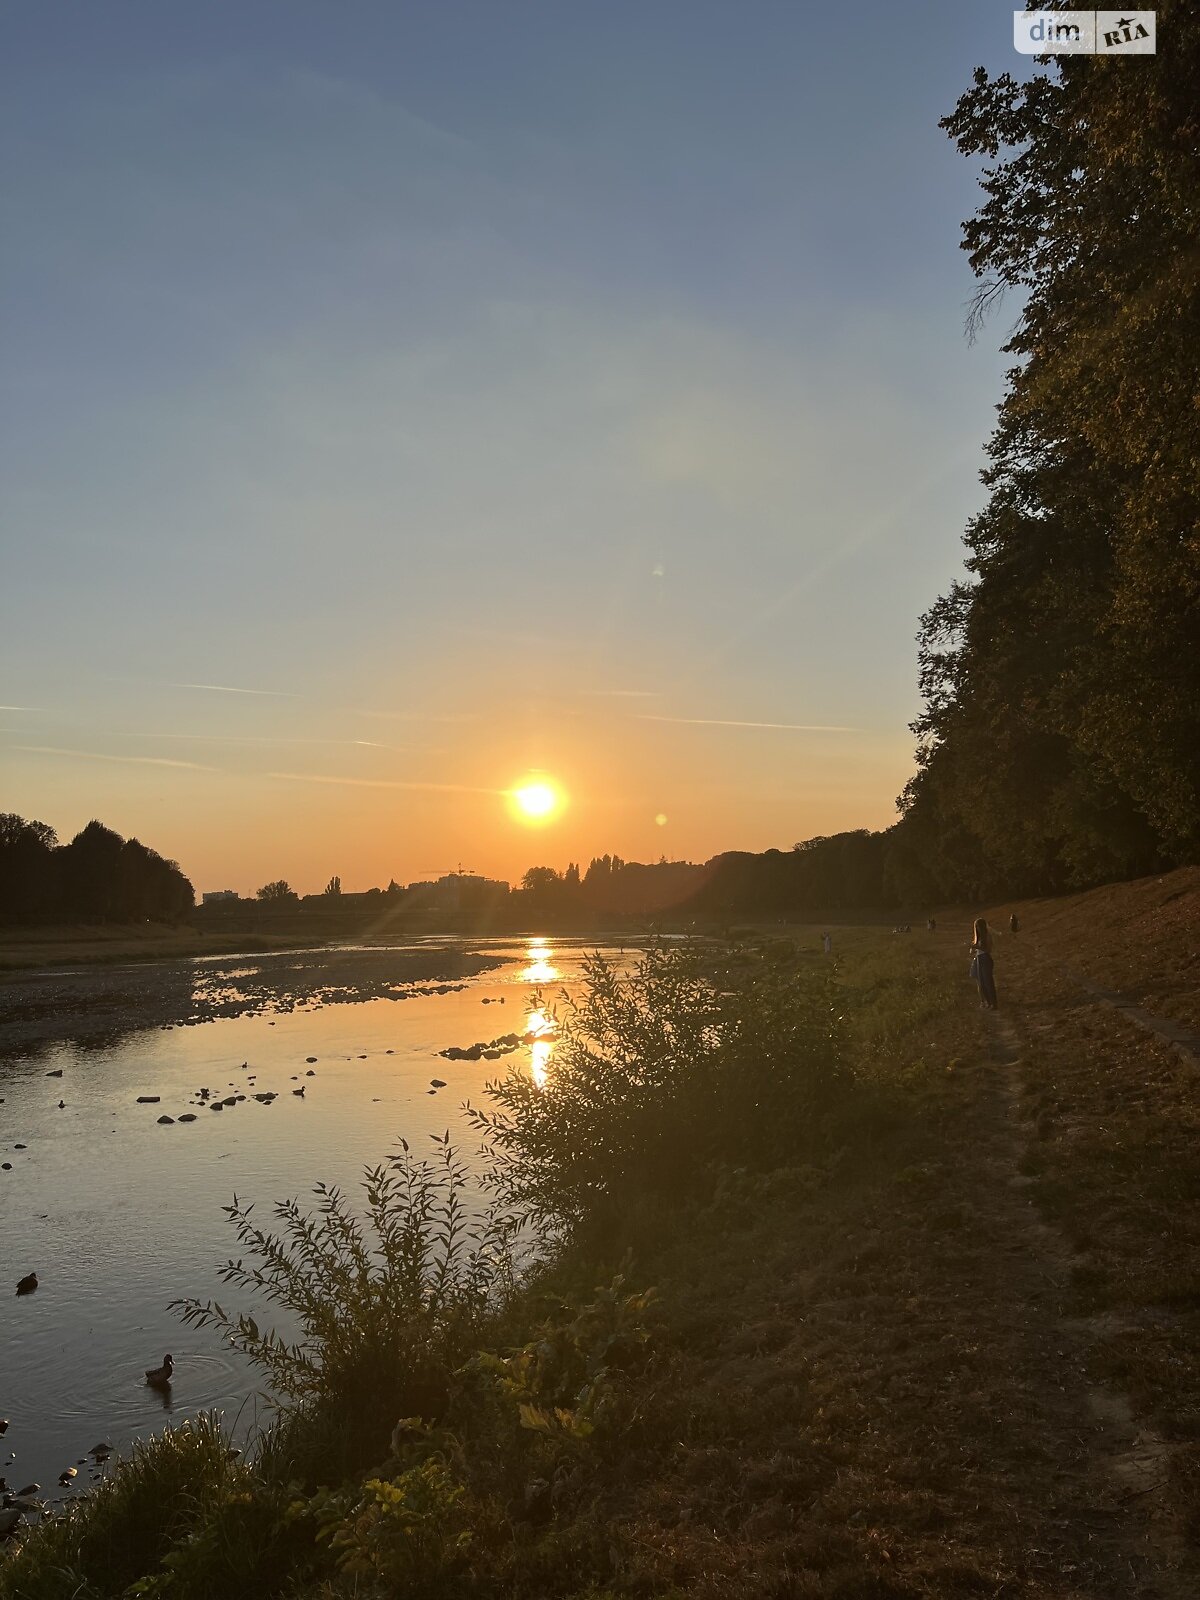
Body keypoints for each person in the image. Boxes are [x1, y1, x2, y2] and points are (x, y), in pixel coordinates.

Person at [970, 917, 998, 1009]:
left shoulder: (987, 935)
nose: (977, 929)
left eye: (979, 926)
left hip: (985, 958)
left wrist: (977, 947)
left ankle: (994, 1003)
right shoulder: (978, 938)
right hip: (979, 959)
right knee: (981, 983)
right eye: (976, 927)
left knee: (988, 982)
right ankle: (988, 1002)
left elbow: (988, 949)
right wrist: (973, 948)